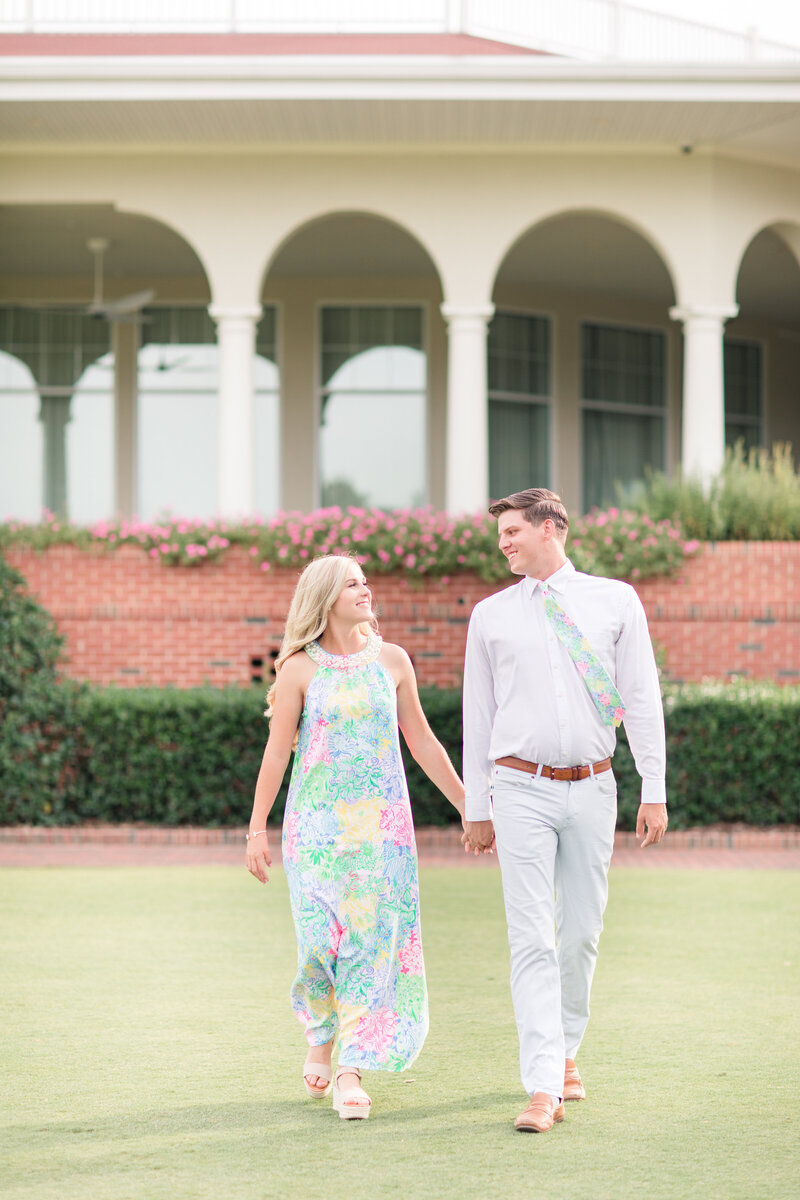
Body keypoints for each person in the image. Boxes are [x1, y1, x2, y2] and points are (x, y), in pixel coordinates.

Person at [462, 487, 668, 1133]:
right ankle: (542, 1085)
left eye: (514, 531)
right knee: (531, 938)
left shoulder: (614, 600)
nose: (504, 543)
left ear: (552, 528)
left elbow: (640, 696)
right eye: (501, 534)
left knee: (581, 932)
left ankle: (568, 1049)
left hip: (594, 787)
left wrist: (653, 787)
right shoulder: (490, 615)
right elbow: (479, 716)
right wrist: (477, 803)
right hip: (518, 787)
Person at [246, 554, 467, 1120]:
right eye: (353, 584)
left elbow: (421, 739)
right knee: (320, 944)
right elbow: (277, 752)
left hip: (382, 834)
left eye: (366, 582)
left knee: (368, 946)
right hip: (315, 832)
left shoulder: (392, 660)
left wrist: (469, 805)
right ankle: (320, 1035)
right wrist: (256, 829)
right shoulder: (297, 667)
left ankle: (350, 1068)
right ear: (325, 597)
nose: (367, 591)